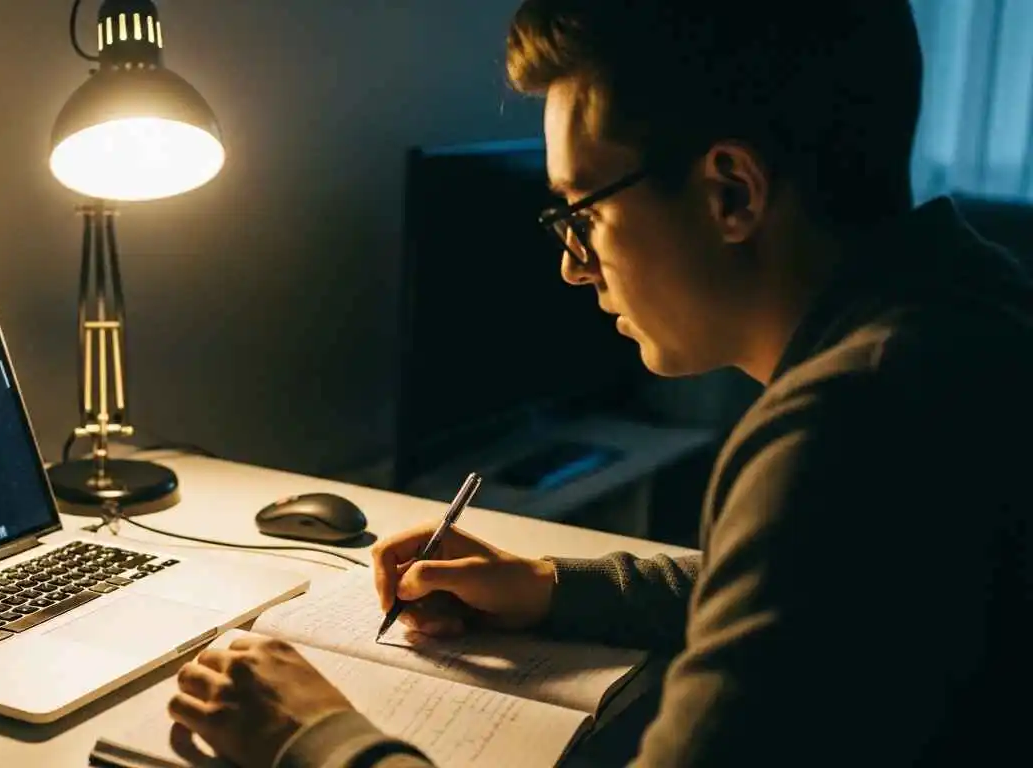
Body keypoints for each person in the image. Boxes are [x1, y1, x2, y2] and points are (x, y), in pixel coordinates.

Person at [165, 1, 1033, 765]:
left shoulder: (850, 426)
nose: (575, 268)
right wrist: (549, 585)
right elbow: (826, 599)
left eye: (583, 211)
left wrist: (313, 737)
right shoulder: (968, 302)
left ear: (732, 193)